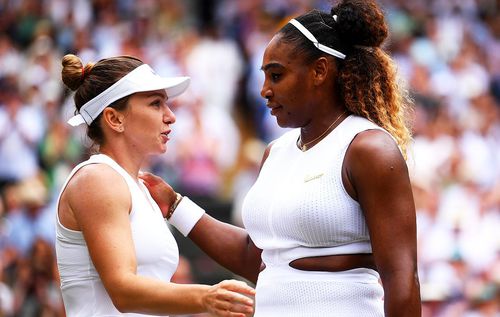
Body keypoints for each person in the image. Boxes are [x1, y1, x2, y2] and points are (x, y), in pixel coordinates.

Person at [141, 0, 421, 316]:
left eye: (276, 76)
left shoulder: (367, 148)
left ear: (319, 71)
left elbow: (402, 276)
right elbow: (255, 258)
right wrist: (174, 205)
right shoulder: (275, 152)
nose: (264, 91)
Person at [55, 54, 255, 317]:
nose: (171, 117)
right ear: (115, 119)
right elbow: (123, 291)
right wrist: (207, 296)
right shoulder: (97, 179)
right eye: (155, 104)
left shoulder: (140, 188)